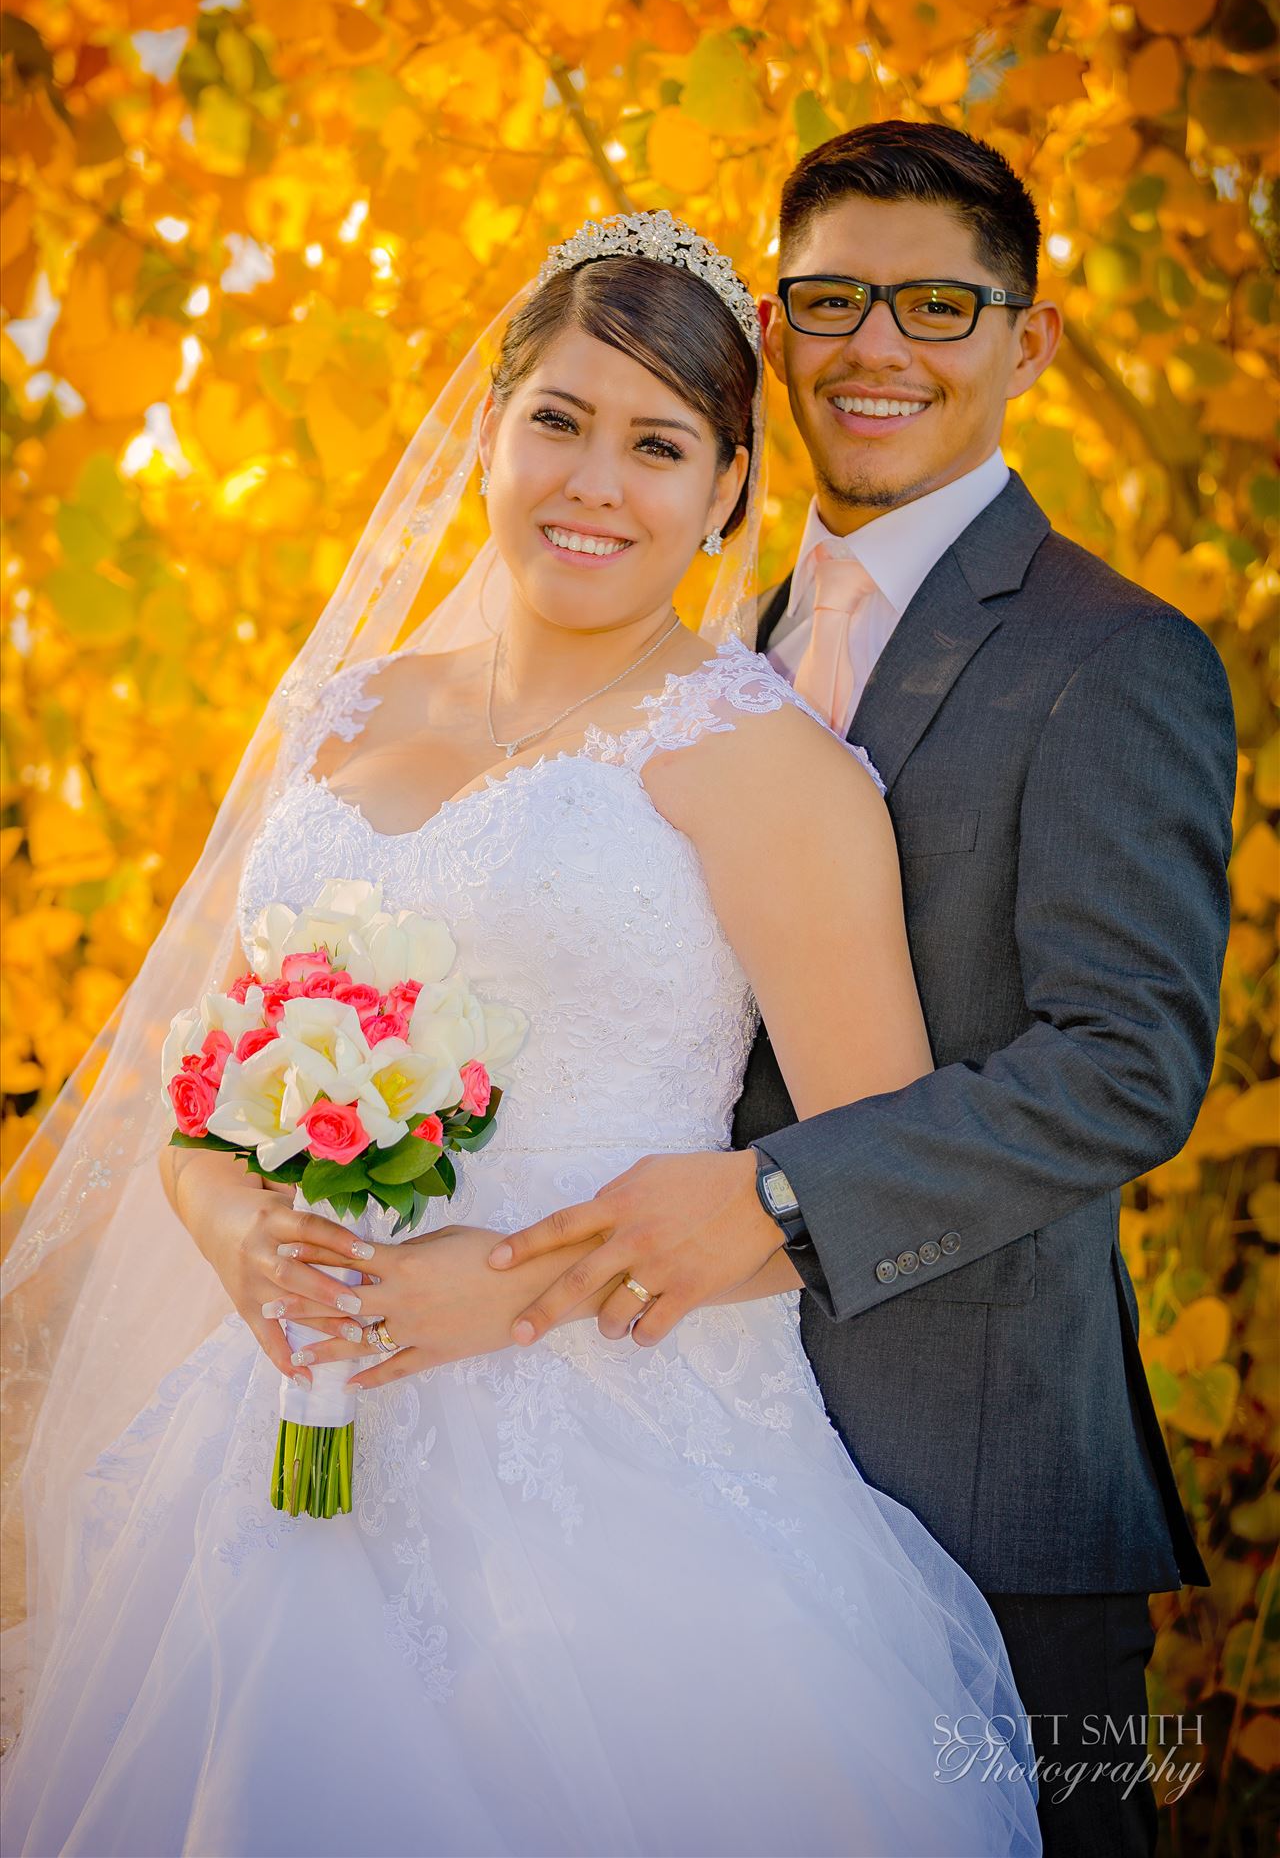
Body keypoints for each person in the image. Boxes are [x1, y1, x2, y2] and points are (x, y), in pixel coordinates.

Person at [0, 213, 1040, 1856]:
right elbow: (209, 1073)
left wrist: (508, 1292)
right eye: (559, 419)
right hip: (288, 1419)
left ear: (727, 491)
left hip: (613, 1450)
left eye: (659, 445)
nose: (594, 484)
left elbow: (875, 1174)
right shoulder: (349, 711)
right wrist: (236, 1231)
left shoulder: (768, 769)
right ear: (489, 429)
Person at [488, 127, 1237, 1858]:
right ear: (774, 325)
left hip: (981, 1474)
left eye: (937, 306)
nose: (875, 347)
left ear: (1028, 342)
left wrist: (774, 1194)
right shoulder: (711, 639)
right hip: (682, 1448)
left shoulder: (1113, 656)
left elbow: (1127, 1064)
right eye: (831, 301)